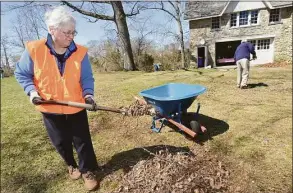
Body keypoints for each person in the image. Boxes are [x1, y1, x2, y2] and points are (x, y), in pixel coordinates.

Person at [14, 6, 99, 191]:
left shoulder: (80, 52)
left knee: (82, 140)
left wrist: (89, 95)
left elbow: (86, 78)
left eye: (73, 32)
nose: (71, 36)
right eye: (66, 32)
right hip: (49, 106)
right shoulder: (34, 49)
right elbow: (21, 74)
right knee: (60, 141)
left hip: (76, 105)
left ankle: (87, 171)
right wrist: (32, 92)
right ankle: (71, 164)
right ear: (52, 30)